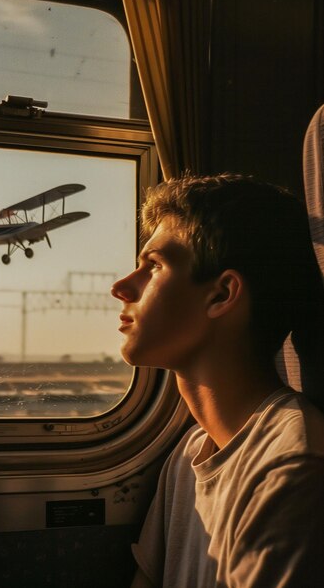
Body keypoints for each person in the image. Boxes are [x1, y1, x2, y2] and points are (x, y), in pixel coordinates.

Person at [111, 174, 324, 588]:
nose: (121, 287)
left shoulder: (291, 472)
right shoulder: (189, 454)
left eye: (153, 267)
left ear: (222, 295)